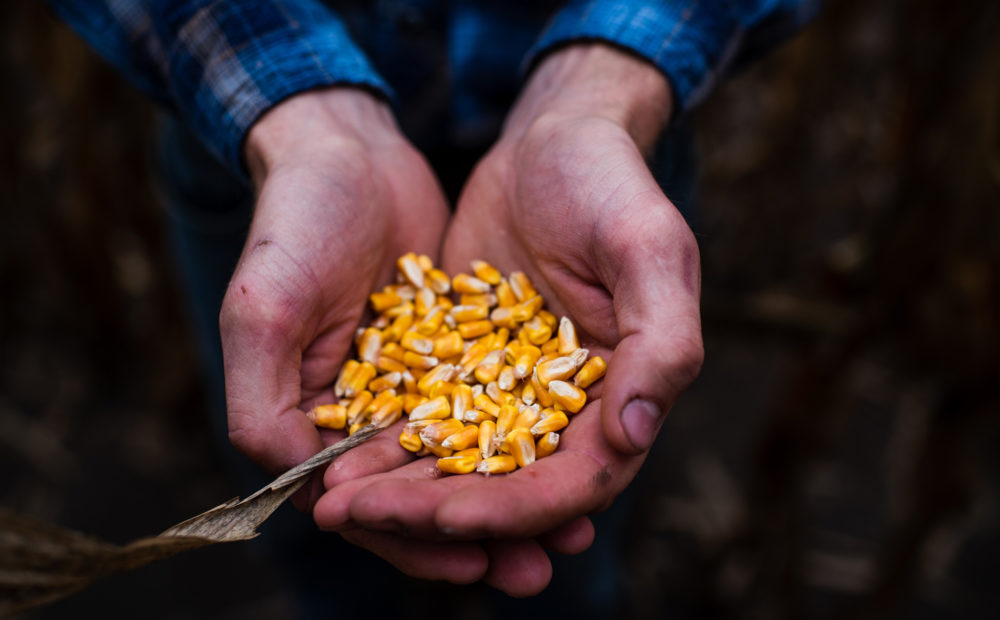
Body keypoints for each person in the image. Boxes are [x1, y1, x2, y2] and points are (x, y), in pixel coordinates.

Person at [49, 0, 819, 612]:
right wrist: (299, 112)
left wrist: (603, 78)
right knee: (315, 506)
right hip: (259, 149)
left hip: (595, 155)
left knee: (566, 530)